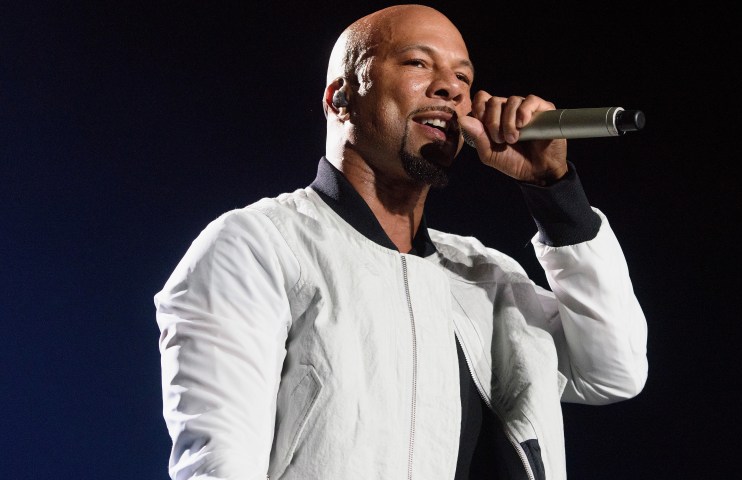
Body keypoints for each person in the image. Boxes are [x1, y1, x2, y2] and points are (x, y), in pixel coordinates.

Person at [155, 4, 648, 479]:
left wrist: (554, 192)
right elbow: (220, 467)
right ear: (341, 98)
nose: (450, 88)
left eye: (463, 77)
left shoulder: (485, 276)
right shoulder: (257, 246)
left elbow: (613, 371)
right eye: (417, 63)